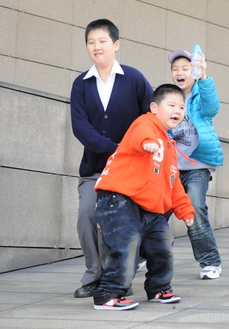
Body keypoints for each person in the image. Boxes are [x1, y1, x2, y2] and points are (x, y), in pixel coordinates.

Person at [91, 84, 195, 310]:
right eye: (171, 105)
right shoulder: (145, 124)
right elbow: (141, 134)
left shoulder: (168, 145)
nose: (177, 110)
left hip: (149, 207)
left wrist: (185, 209)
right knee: (125, 244)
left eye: (181, 107)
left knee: (163, 243)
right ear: (154, 108)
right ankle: (108, 293)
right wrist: (147, 142)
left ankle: (159, 287)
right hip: (120, 199)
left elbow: (173, 181)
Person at [70, 19, 152, 299]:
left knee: (115, 222)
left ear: (116, 45)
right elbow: (80, 127)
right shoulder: (81, 84)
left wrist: (134, 149)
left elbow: (149, 117)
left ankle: (115, 278)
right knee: (86, 215)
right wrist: (114, 148)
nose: (96, 46)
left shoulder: (134, 78)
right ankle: (94, 274)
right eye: (91, 42)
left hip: (128, 170)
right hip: (94, 169)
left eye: (102, 41)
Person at [168, 49, 224, 280]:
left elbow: (212, 107)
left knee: (194, 207)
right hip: (171, 167)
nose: (179, 73)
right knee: (155, 210)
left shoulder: (200, 96)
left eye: (185, 68)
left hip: (197, 166)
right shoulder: (168, 97)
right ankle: (142, 254)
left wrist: (204, 77)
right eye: (175, 69)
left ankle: (210, 261)